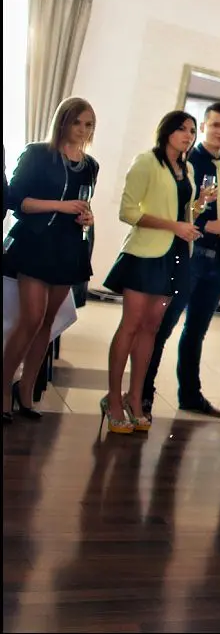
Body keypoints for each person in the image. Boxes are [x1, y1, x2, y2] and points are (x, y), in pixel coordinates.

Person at [102, 112, 213, 434]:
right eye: (182, 129)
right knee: (131, 325)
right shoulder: (146, 162)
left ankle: (135, 399)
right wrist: (173, 226)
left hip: (176, 255)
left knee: (151, 329)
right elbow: (128, 212)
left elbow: (184, 213)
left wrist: (199, 204)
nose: (188, 135)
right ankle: (112, 399)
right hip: (145, 255)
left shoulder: (187, 169)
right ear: (166, 131)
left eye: (192, 131)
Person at [140, 102, 220, 418]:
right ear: (204, 127)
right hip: (189, 254)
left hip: (217, 259)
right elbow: (176, 209)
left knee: (196, 331)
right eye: (216, 125)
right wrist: (208, 225)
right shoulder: (187, 161)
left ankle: (190, 395)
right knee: (164, 326)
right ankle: (143, 393)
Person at [3, 97, 98, 424]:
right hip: (35, 243)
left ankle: (26, 390)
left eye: (88, 124)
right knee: (31, 319)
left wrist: (86, 217)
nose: (82, 130)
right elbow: (17, 201)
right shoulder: (37, 154)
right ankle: (4, 387)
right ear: (63, 122)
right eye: (77, 122)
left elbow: (84, 204)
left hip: (67, 246)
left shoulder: (90, 165)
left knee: (47, 323)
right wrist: (61, 206)